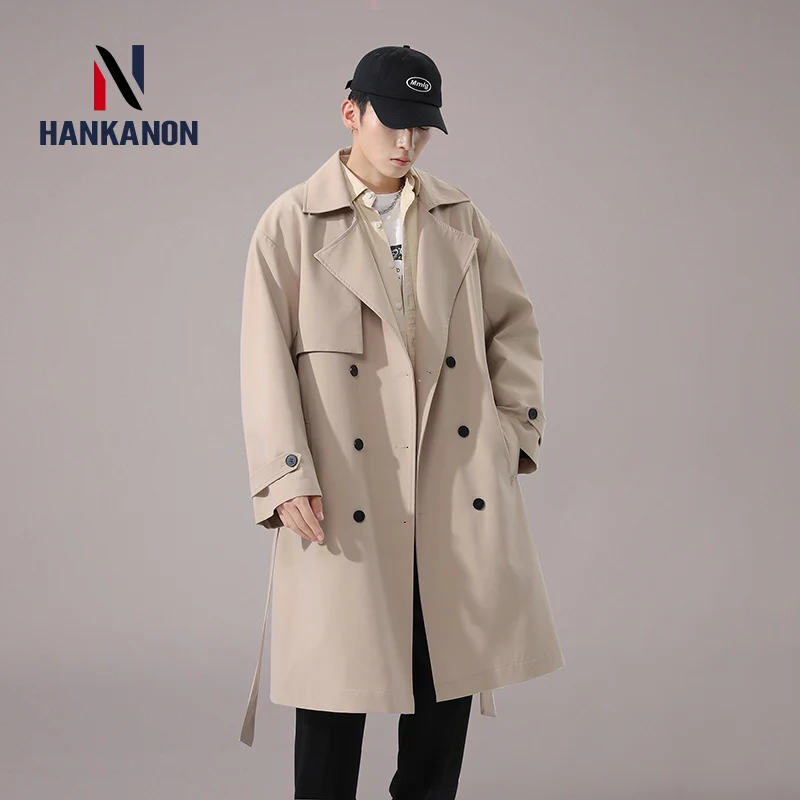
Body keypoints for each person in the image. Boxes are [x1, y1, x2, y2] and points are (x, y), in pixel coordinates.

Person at [238, 44, 565, 800]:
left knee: (443, 680)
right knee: (335, 688)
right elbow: (263, 360)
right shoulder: (291, 224)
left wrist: (511, 434)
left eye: (422, 126)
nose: (407, 141)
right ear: (350, 113)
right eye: (393, 122)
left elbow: (514, 326)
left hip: (446, 488)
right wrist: (285, 474)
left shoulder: (458, 216)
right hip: (345, 490)